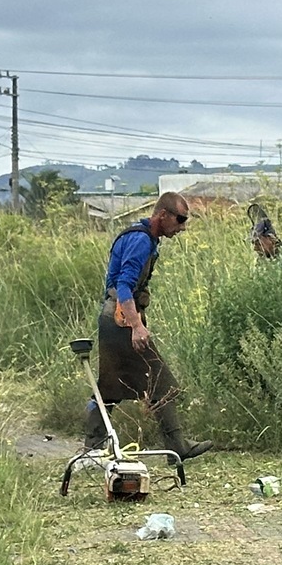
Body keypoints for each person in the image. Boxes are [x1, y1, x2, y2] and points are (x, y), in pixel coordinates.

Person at [85, 192, 212, 459]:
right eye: (179, 220)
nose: (182, 227)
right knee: (160, 381)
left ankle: (92, 448)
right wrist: (136, 327)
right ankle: (176, 445)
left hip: (115, 318)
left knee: (110, 386)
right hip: (120, 319)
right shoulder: (141, 240)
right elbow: (123, 286)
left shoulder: (145, 238)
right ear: (162, 215)